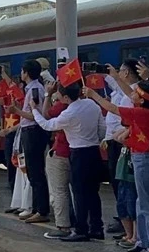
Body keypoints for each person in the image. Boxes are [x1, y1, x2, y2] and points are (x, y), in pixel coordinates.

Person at [84, 79, 149, 252]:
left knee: (148, 203)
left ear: (140, 99)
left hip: (145, 159)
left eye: (135, 92)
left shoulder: (142, 113)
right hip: (140, 157)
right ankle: (143, 240)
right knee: (141, 202)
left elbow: (113, 109)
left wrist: (94, 95)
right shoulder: (146, 111)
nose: (130, 93)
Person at [32, 81, 105, 241]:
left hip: (78, 152)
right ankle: (97, 227)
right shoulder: (92, 105)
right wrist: (96, 139)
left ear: (65, 97)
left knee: (79, 193)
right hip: (94, 151)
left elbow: (47, 125)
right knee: (93, 192)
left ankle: (81, 229)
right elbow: (102, 127)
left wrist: (34, 110)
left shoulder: (69, 112)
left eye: (59, 93)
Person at [9, 60, 50, 223]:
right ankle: (36, 207)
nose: (21, 73)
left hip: (33, 132)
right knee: (33, 172)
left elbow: (36, 116)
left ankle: (42, 210)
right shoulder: (32, 88)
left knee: (36, 171)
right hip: (30, 132)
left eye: (22, 71)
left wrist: (16, 111)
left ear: (26, 73)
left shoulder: (34, 89)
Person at [104, 59, 140, 235]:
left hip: (125, 143)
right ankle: (128, 228)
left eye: (121, 71)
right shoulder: (125, 92)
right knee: (120, 184)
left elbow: (119, 113)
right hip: (116, 140)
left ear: (126, 73)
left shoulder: (137, 93)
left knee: (128, 188)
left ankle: (134, 232)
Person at [38, 81, 73, 239]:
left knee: (59, 191)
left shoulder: (62, 107)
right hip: (77, 152)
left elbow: (46, 116)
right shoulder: (87, 104)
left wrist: (47, 95)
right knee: (77, 191)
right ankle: (79, 222)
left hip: (60, 151)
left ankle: (62, 226)